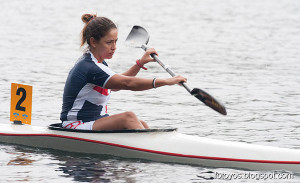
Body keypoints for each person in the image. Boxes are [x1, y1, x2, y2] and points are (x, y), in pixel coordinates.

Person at [60, 14, 187, 131]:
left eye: (116, 41)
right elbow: (127, 83)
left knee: (140, 123)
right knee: (128, 118)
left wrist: (139, 64)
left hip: (94, 121)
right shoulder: (89, 67)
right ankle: (155, 152)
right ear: (93, 42)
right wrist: (166, 81)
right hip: (76, 125)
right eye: (109, 42)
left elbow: (116, 85)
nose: (114, 47)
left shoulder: (99, 64)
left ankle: (156, 149)